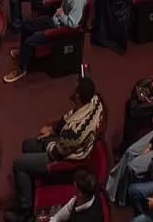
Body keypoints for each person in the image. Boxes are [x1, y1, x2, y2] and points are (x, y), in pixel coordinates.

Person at [10, 76, 104, 216]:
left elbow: (56, 153)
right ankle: (30, 180)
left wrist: (48, 139)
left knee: (19, 164)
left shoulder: (73, 131)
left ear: (78, 95)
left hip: (68, 157)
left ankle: (25, 211)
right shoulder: (95, 101)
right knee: (27, 144)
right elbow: (72, 114)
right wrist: (52, 130)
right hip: (68, 143)